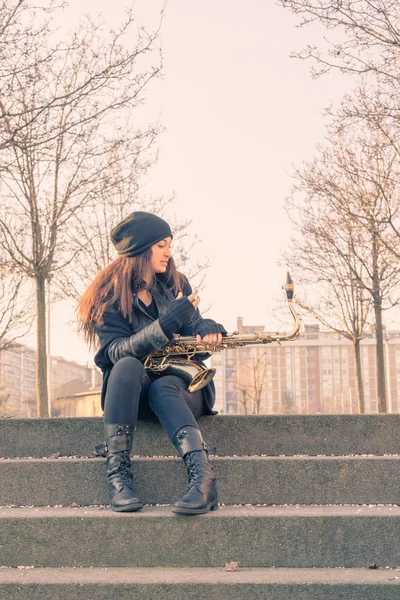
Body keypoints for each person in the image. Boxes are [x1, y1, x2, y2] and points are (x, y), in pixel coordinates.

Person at [78, 211, 227, 515]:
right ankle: (119, 479)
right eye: (161, 245)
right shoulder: (107, 298)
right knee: (126, 366)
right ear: (141, 249)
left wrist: (208, 327)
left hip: (180, 391)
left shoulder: (175, 284)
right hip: (130, 396)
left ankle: (203, 481)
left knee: (164, 388)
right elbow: (116, 351)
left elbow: (193, 335)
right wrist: (165, 325)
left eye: (169, 244)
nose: (169, 253)